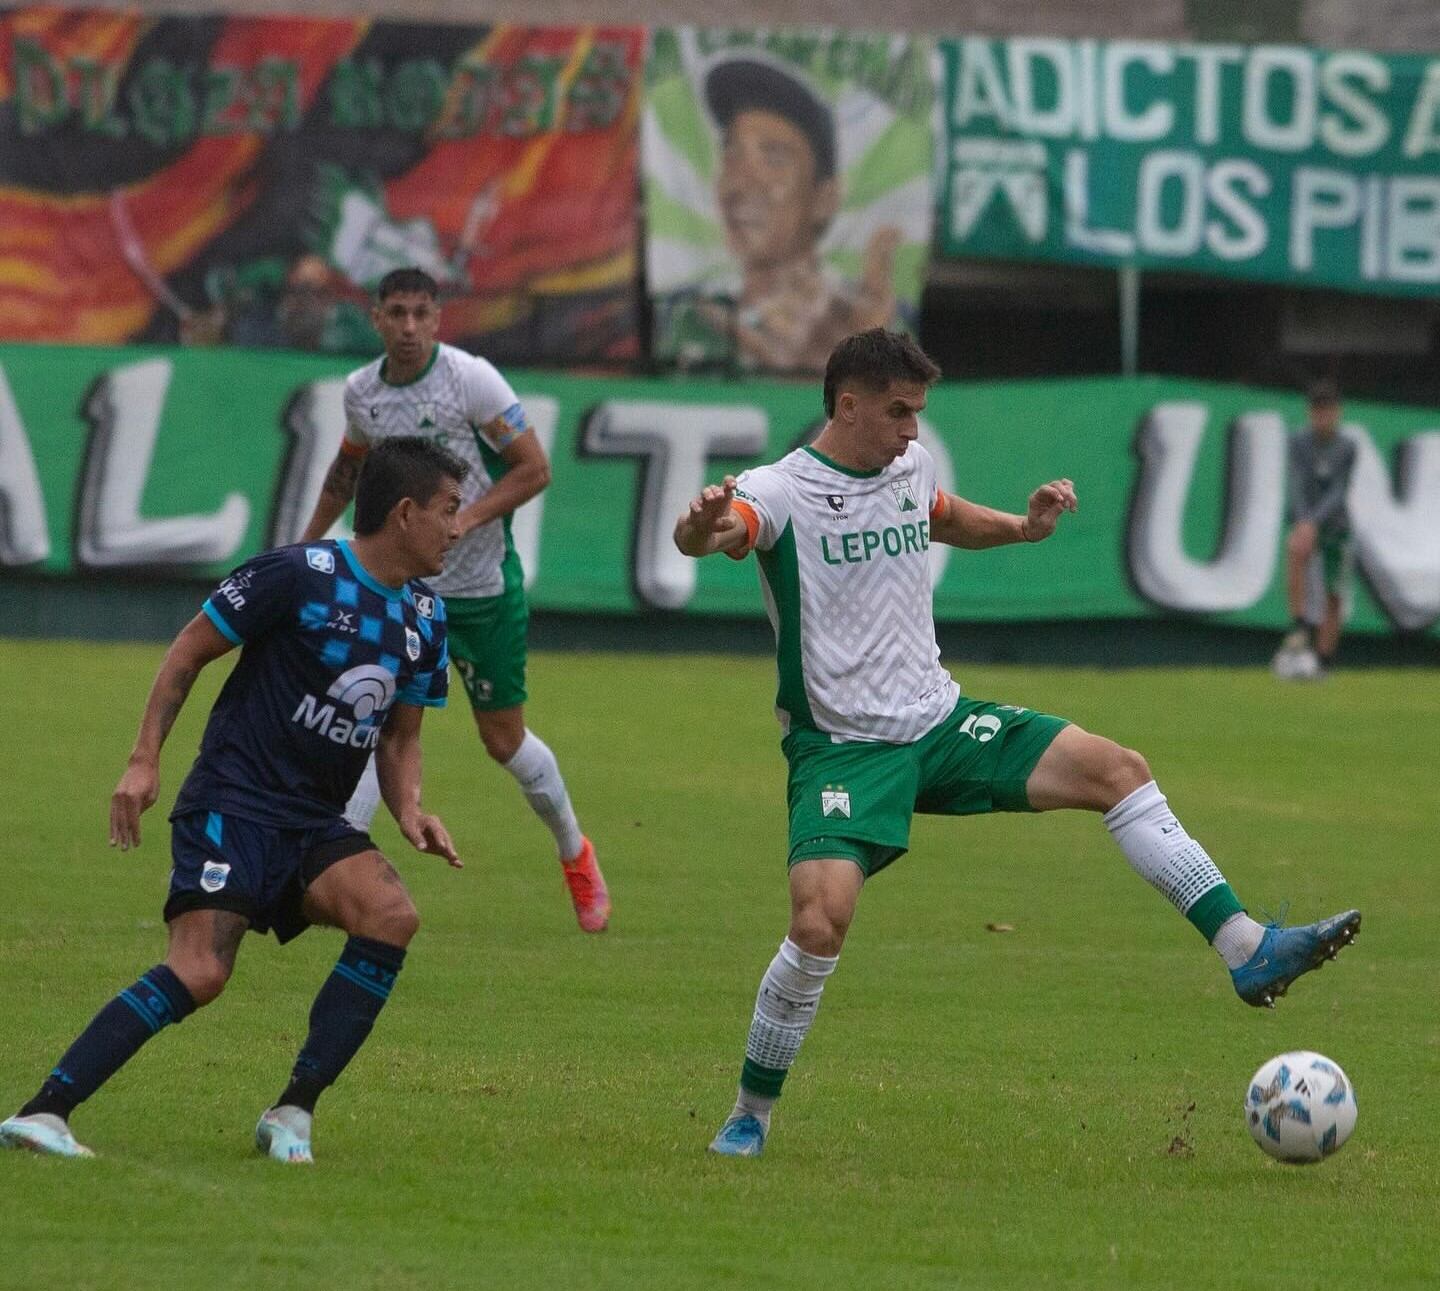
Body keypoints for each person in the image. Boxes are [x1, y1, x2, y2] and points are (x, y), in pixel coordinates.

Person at [672, 329, 1362, 1159]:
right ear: (846, 404)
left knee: (1118, 769)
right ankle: (751, 1111)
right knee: (819, 922)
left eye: (919, 413)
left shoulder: (908, 469)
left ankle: (1247, 948)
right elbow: (724, 532)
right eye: (898, 412)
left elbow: (942, 516)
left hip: (942, 720)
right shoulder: (777, 489)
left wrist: (1024, 528)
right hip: (844, 748)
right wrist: (702, 528)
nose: (912, 431)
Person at [1, 437, 466, 1162]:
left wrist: (409, 810)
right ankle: (43, 1111)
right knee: (201, 969)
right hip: (235, 799)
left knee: (390, 915)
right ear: (406, 513)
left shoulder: (426, 619)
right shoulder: (298, 574)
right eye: (450, 509)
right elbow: (187, 651)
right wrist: (142, 760)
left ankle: (293, 1111)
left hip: (313, 821)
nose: (459, 526)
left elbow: (401, 736)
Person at [299, 267, 609, 932]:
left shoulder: (471, 380)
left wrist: (466, 519)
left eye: (420, 314)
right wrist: (302, 545)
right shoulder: (363, 393)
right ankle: (332, 874)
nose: (409, 327)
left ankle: (574, 851)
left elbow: (535, 468)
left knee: (503, 740)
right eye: (397, 314)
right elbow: (348, 469)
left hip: (481, 592)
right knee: (372, 722)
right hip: (404, 590)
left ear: (437, 319)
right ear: (375, 318)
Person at [661, 55, 901, 376]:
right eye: (732, 153)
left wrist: (842, 372)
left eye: (773, 157)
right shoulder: (685, 316)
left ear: (824, 198)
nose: (739, 182)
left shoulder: (869, 320)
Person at [1272, 379, 1357, 681]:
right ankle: (1300, 625)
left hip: (1334, 525)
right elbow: (1296, 484)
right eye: (1317, 411)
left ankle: (1324, 659)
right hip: (1304, 519)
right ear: (1310, 413)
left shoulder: (1347, 447)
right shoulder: (1298, 442)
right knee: (1295, 549)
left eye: (1328, 410)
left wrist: (1314, 522)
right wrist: (1303, 522)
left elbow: (1338, 491)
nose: (1323, 417)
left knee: (1334, 593)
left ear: (1337, 412)